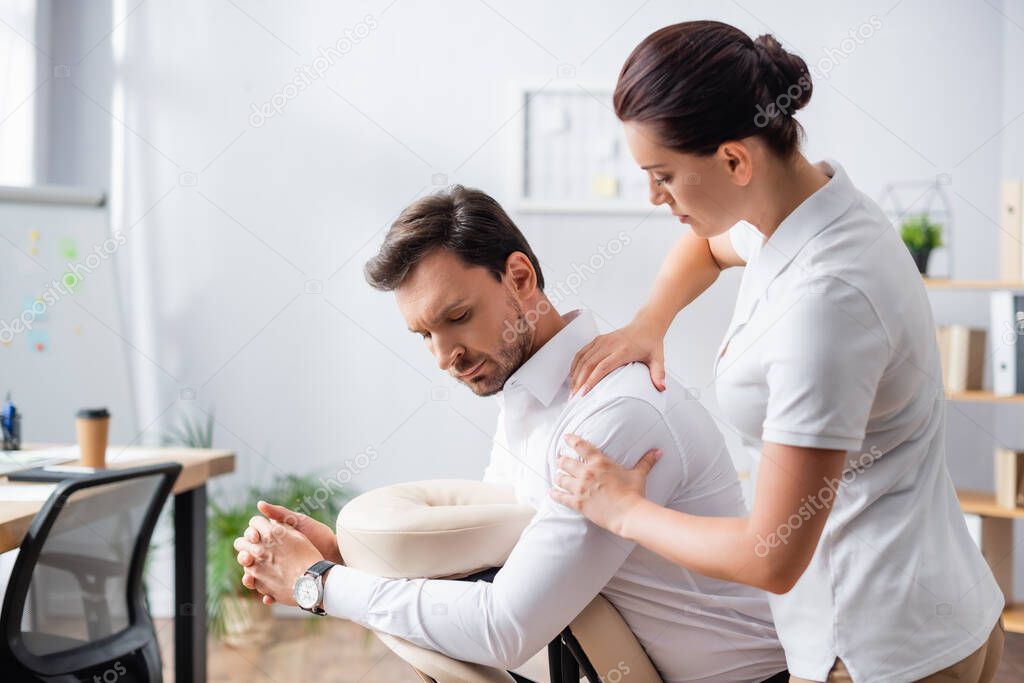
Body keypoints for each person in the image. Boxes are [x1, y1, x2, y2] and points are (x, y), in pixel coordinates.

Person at [552, 20, 1005, 683]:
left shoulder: (825, 305)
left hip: (880, 651)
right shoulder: (807, 208)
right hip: (945, 612)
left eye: (664, 175)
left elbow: (772, 554)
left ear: (736, 160)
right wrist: (651, 321)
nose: (655, 198)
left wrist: (623, 509)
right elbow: (709, 247)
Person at [233, 185, 789, 682]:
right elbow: (498, 565)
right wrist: (351, 559)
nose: (444, 356)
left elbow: (506, 628)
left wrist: (321, 584)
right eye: (424, 334)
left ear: (520, 279)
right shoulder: (531, 399)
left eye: (457, 316)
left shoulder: (613, 415)